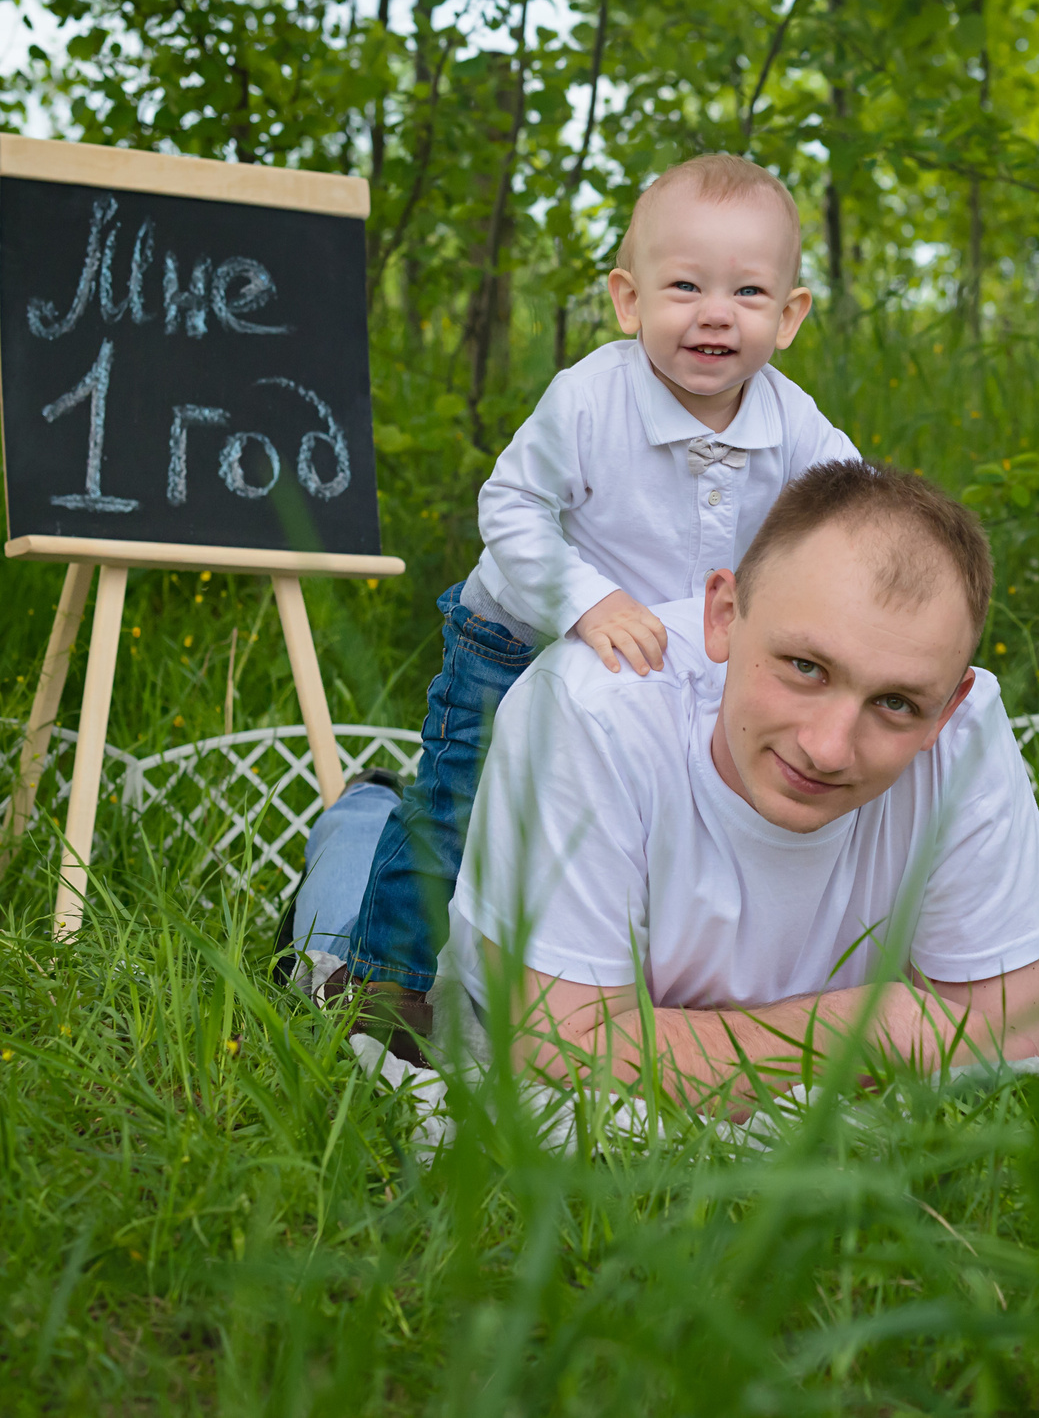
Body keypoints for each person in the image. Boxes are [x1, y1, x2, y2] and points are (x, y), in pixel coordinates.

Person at [314, 154, 860, 1039]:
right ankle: (384, 979)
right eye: (684, 285)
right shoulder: (590, 398)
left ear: (789, 315)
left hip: (671, 667)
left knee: (653, 820)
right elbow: (512, 506)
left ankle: (622, 984)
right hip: (522, 637)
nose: (715, 312)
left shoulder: (795, 424)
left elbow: (853, 515)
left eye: (749, 293)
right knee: (461, 800)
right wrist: (586, 599)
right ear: (629, 299)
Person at [450, 459, 1039, 1109]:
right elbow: (562, 1054)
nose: (827, 748)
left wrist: (670, 1052)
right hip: (496, 943)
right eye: (806, 666)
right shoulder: (590, 712)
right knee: (356, 873)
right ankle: (370, 803)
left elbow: (1013, 1042)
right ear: (724, 614)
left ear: (947, 706)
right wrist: (870, 1031)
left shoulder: (963, 732)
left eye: (894, 704)